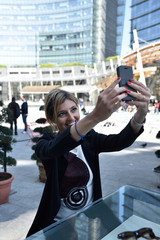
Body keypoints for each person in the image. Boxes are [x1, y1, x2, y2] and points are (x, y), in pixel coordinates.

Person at [27, 77, 150, 238]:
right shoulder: (46, 142)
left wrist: (140, 114)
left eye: (74, 109)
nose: (71, 118)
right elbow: (53, 149)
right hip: (56, 223)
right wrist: (94, 117)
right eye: (62, 114)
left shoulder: (89, 137)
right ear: (52, 119)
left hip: (90, 214)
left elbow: (119, 141)